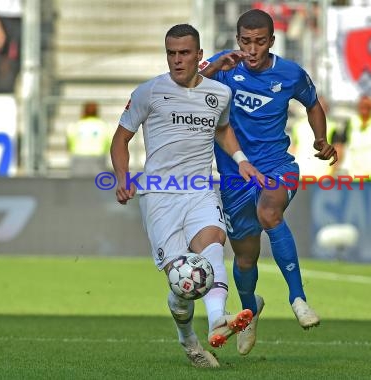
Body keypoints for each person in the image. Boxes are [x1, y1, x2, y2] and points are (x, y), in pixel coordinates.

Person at [111, 24, 266, 368]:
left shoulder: (218, 94)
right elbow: (120, 139)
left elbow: (223, 129)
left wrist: (241, 161)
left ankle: (218, 322)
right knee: (183, 283)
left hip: (199, 190)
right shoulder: (149, 92)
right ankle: (190, 342)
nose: (177, 60)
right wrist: (123, 177)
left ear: (199, 55)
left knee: (213, 245)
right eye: (171, 53)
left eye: (184, 53)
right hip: (159, 197)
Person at [199, 9, 338, 356]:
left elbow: (313, 103)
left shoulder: (289, 73)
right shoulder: (224, 66)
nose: (252, 48)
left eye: (260, 42)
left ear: (271, 42)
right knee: (245, 259)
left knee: (269, 213)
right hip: (234, 176)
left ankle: (298, 299)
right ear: (237, 40)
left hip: (277, 167)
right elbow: (188, 85)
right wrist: (216, 68)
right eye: (246, 41)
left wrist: (320, 139)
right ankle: (250, 310)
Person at [332, 94, 371, 181]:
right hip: (359, 175)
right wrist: (335, 167)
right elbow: (339, 145)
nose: (364, 108)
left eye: (367, 106)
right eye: (362, 105)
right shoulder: (351, 122)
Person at [66, 101, 111, 177]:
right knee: (97, 185)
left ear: (83, 111)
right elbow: (109, 144)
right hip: (98, 158)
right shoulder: (105, 126)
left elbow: (69, 143)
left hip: (78, 158)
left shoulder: (74, 126)